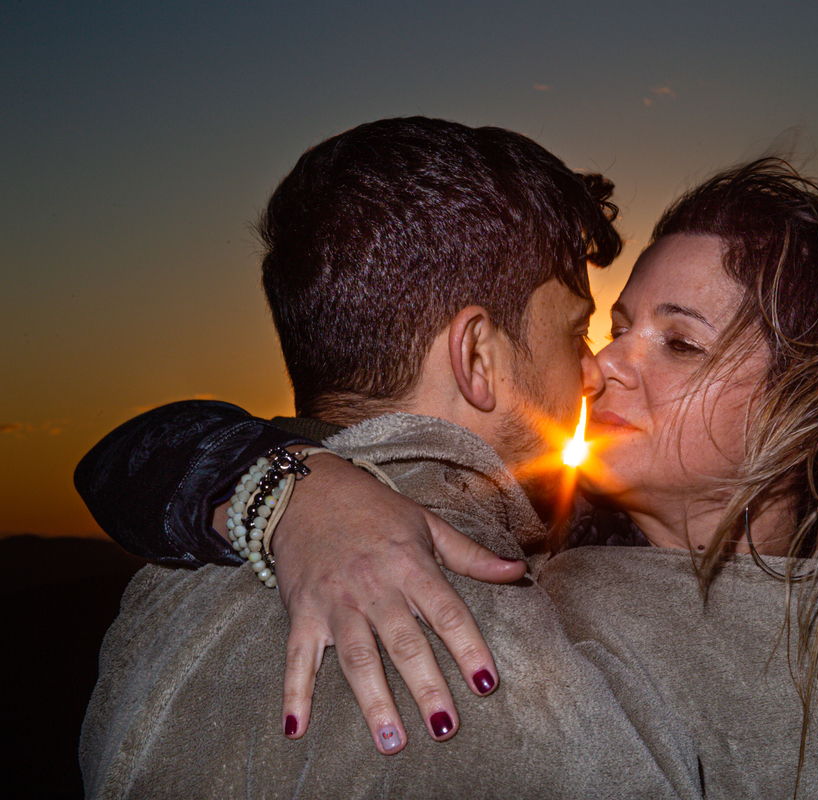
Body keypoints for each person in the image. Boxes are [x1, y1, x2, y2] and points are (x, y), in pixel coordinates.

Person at [80, 156, 818, 796]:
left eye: (680, 342)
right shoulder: (526, 563)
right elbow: (129, 456)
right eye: (613, 329)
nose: (606, 366)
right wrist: (283, 487)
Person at [78, 116, 702, 799]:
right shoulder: (501, 665)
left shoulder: (164, 592)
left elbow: (116, 463)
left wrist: (288, 484)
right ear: (475, 358)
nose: (592, 374)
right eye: (577, 332)